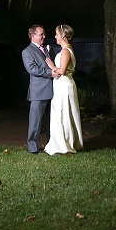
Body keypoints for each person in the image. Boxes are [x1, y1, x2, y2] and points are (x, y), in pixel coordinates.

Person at [43, 24, 84, 154]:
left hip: (64, 85)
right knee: (62, 112)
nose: (55, 36)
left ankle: (64, 145)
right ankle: (63, 142)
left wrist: (51, 66)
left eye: (56, 34)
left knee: (63, 113)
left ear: (63, 36)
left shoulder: (66, 51)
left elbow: (61, 70)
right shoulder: (66, 49)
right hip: (62, 84)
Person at [22, 25, 58, 154]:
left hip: (52, 90)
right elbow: (32, 69)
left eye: (43, 34)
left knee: (52, 121)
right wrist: (50, 73)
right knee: (35, 121)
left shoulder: (46, 49)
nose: (44, 36)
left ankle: (52, 145)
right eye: (41, 34)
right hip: (39, 91)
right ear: (33, 36)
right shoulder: (27, 51)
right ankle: (33, 148)